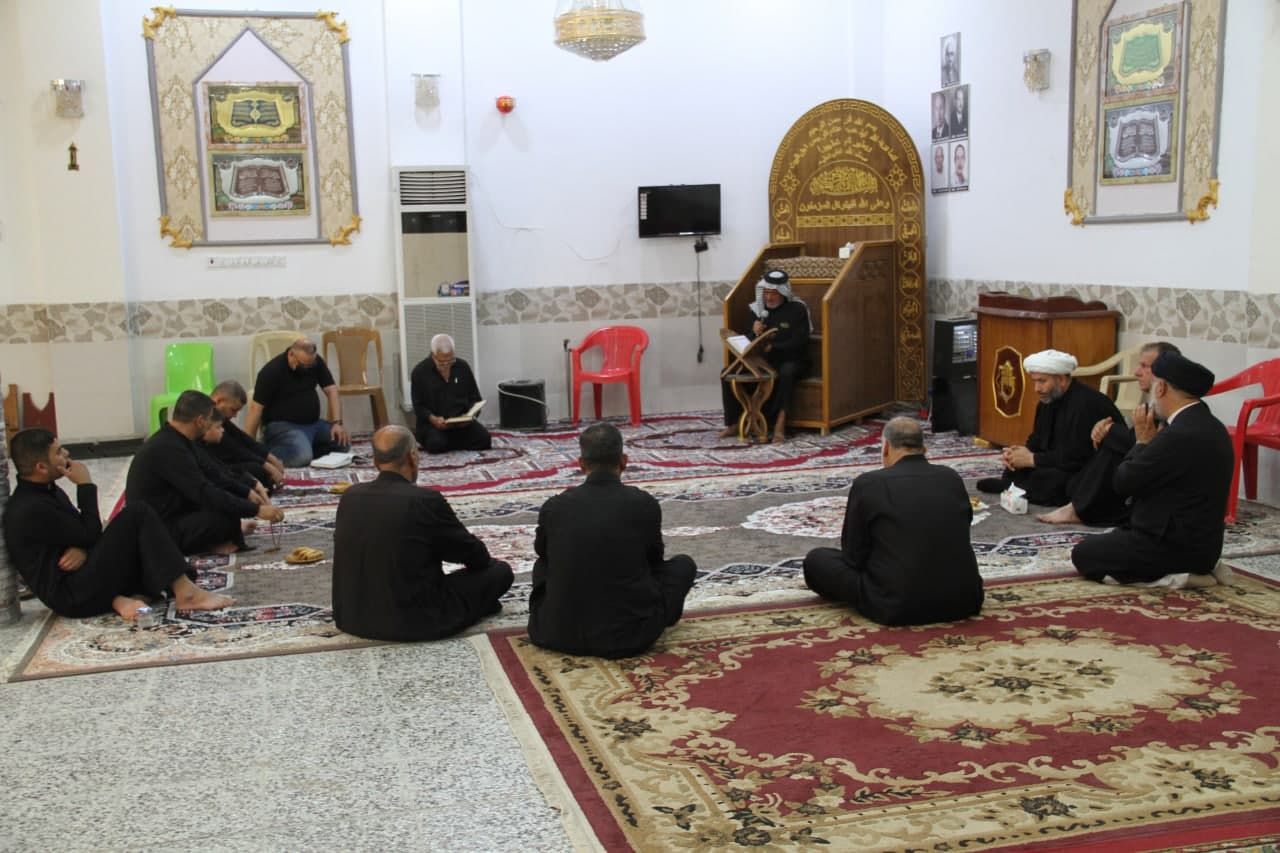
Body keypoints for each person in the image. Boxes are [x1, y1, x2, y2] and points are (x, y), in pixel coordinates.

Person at [3, 428, 234, 620]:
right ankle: (185, 594)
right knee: (137, 514)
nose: (66, 454)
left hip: (81, 577)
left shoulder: (46, 492)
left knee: (147, 549)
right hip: (71, 595)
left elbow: (82, 534)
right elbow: (91, 533)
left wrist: (83, 548)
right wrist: (85, 486)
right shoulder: (30, 507)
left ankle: (122, 598)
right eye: (58, 452)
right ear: (41, 467)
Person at [528, 423, 697, 658]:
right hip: (628, 637)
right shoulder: (643, 503)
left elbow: (543, 554)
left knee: (544, 564)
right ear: (624, 461)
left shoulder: (555, 506)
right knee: (683, 565)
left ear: (581, 464)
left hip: (554, 632)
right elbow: (654, 561)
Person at [331, 425, 512, 641]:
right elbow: (475, 556)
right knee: (500, 572)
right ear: (412, 456)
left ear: (376, 462)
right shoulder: (425, 500)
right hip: (415, 622)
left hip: (351, 617)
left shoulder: (350, 496)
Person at [1072, 352, 1233, 585]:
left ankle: (1178, 578)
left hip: (1174, 548)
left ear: (1161, 388)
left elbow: (1123, 482)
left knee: (1084, 554)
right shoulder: (1213, 426)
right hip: (1205, 548)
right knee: (1113, 538)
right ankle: (1194, 570)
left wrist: (1141, 443)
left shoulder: (1178, 434)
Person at [803, 417, 983, 625]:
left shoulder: (869, 483)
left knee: (817, 561)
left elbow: (854, 557)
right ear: (923, 449)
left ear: (886, 447)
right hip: (964, 599)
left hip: (896, 604)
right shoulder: (951, 478)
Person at [1038, 342, 1181, 524]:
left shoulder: (1172, 406)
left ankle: (1077, 509)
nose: (1137, 372)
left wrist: (1109, 430)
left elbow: (1150, 444)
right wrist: (1106, 429)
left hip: (1163, 472)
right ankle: (1078, 505)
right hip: (1134, 467)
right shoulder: (1152, 404)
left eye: (1145, 366)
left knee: (1111, 447)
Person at [126, 390, 285, 555]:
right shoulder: (169, 449)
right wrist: (256, 510)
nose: (212, 424)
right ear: (200, 421)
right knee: (225, 518)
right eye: (210, 419)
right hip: (157, 531)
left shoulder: (179, 440)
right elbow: (204, 492)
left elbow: (215, 474)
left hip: (173, 513)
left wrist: (247, 492)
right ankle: (210, 545)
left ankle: (216, 540)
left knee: (229, 505)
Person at [976, 349, 1123, 507]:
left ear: (1061, 379)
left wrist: (1032, 459)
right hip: (1056, 461)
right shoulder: (1047, 400)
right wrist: (1019, 453)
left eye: (1042, 381)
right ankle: (1019, 486)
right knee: (1017, 469)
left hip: (1085, 468)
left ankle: (1018, 487)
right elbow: (1037, 439)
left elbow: (1077, 457)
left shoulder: (1086, 405)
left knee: (1055, 481)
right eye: (1034, 382)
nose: (1036, 388)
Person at [720, 269, 812, 443]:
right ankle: (734, 422)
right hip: (763, 360)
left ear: (783, 293)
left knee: (787, 372)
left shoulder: (797, 309)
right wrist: (754, 333)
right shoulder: (757, 310)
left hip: (792, 359)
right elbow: (748, 341)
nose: (769, 298)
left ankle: (779, 424)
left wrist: (774, 347)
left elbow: (800, 340)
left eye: (774, 293)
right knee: (727, 372)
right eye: (766, 293)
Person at [242, 338, 350, 467]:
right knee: (302, 457)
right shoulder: (271, 371)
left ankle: (304, 448)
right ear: (291, 354)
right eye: (303, 365)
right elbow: (255, 409)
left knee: (342, 443)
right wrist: (249, 446)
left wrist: (337, 423)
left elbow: (332, 390)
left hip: (313, 424)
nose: (307, 369)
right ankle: (265, 452)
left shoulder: (316, 362)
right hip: (282, 426)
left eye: (310, 365)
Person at [410, 333, 492, 454]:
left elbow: (475, 398)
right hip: (434, 425)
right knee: (436, 444)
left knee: (485, 440)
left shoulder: (462, 367)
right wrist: (433, 419)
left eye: (450, 361)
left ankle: (451, 443)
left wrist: (470, 416)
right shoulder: (420, 372)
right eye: (442, 362)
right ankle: (452, 443)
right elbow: (418, 406)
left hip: (461, 424)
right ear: (433, 355)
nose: (446, 365)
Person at [208, 380, 285, 492]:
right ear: (218, 401)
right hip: (214, 466)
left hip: (224, 461)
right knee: (257, 470)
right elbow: (234, 449)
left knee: (258, 467)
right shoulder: (207, 415)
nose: (234, 415)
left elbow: (243, 438)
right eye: (233, 410)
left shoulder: (219, 414)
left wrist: (272, 459)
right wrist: (267, 465)